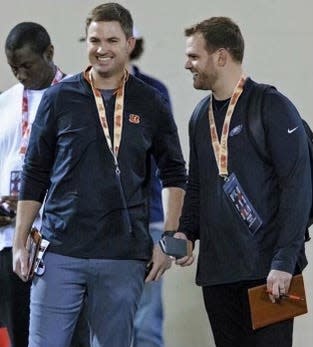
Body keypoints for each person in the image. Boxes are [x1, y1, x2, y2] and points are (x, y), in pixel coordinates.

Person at [12, 3, 186, 347]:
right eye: (94, 40)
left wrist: (168, 238)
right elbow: (35, 174)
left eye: (111, 40)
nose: (101, 49)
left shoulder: (150, 102)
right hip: (60, 250)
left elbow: (174, 173)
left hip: (122, 255)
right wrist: (20, 241)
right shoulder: (59, 98)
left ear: (129, 44)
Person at [176, 16, 311, 347]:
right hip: (218, 274)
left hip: (269, 273)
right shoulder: (199, 117)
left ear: (221, 57)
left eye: (194, 56)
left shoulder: (271, 105)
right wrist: (185, 231)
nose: (186, 64)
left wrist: (283, 262)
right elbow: (198, 184)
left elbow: (298, 187)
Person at [0, 22, 66, 347]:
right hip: (10, 242)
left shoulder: (73, 98)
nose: (21, 75)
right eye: (14, 68)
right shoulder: (5, 103)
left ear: (49, 53)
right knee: (19, 334)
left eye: (27, 65)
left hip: (57, 242)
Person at [129, 30, 171, 347]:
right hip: (98, 224)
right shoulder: (79, 90)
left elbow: (169, 161)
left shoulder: (154, 91)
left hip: (148, 217)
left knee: (146, 318)